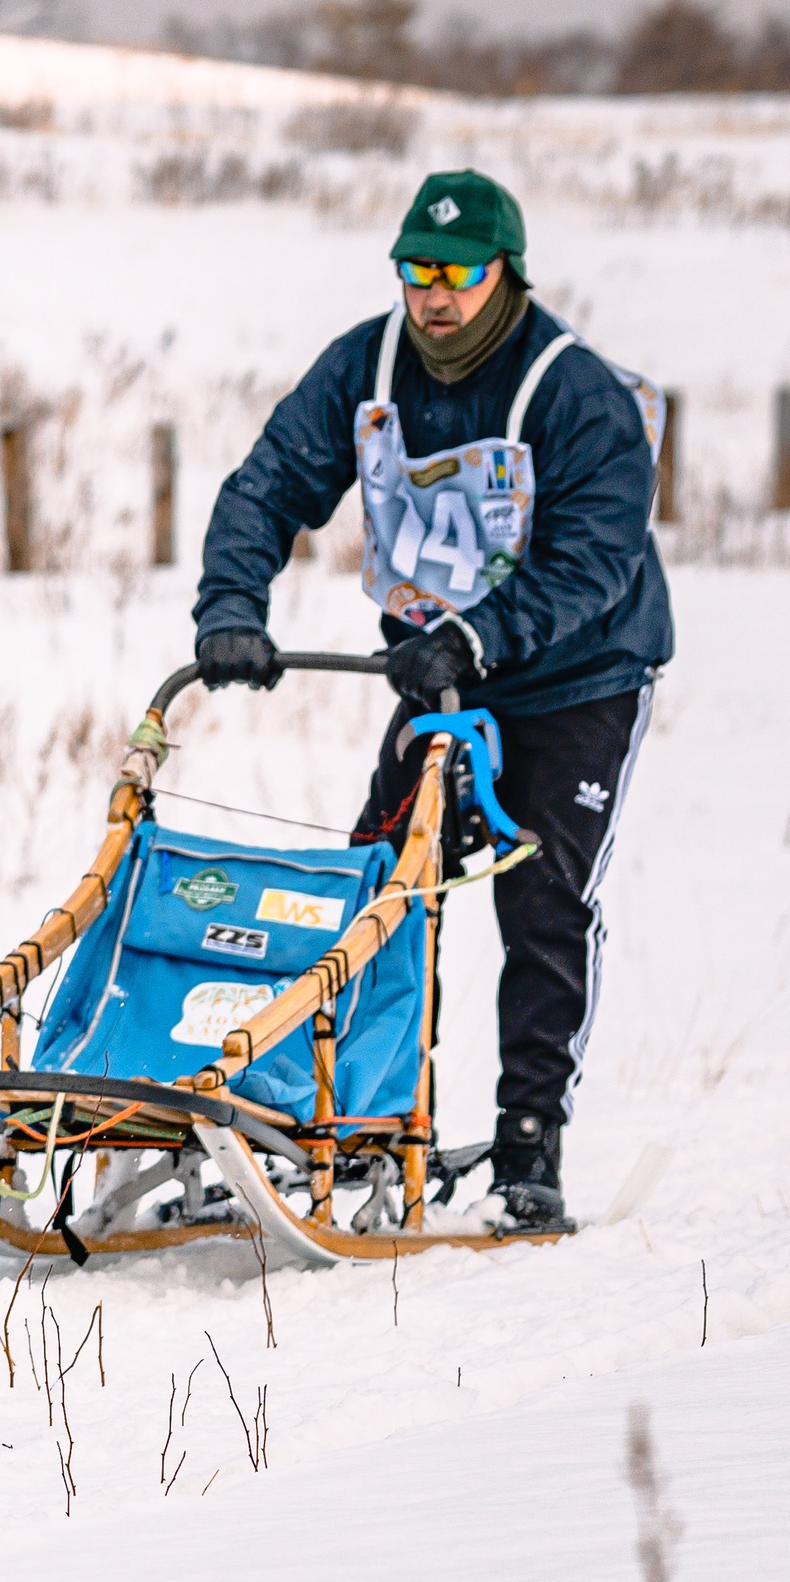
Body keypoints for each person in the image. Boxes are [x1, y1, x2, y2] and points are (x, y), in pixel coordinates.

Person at [190, 169, 671, 1230]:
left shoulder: (570, 387)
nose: (433, 295)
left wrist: (475, 633)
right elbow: (267, 482)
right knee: (381, 890)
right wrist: (231, 604)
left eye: (456, 273)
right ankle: (362, 1118)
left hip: (576, 675)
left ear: (505, 272)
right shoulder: (364, 366)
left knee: (541, 898)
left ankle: (528, 1145)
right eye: (415, 271)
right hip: (438, 673)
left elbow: (594, 556)